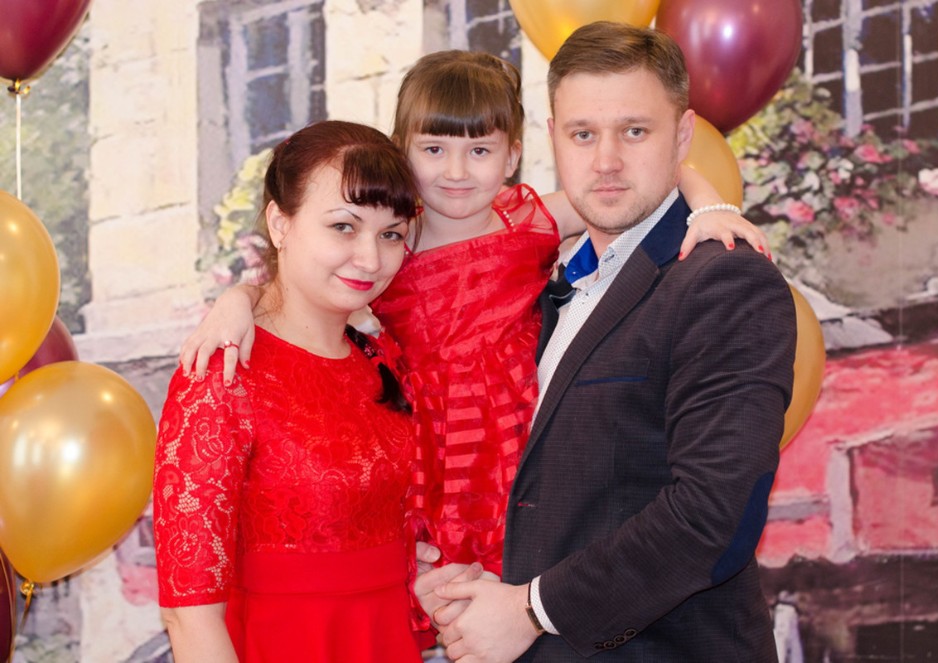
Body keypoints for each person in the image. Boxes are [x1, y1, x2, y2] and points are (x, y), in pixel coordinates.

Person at [180, 50, 769, 586]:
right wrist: (238, 300)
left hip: (523, 428)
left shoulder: (529, 220)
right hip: (434, 445)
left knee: (536, 568)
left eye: (479, 151)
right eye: (434, 150)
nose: (456, 172)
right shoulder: (392, 241)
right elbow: (304, 287)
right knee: (448, 586)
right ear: (403, 150)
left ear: (512, 155)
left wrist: (710, 209)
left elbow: (667, 174)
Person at [418, 22, 797, 662]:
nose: (606, 161)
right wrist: (464, 580)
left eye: (635, 131)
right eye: (583, 134)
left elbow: (713, 516)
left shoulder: (723, 278)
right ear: (553, 139)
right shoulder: (542, 283)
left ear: (682, 135)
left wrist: (531, 610)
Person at [153, 120, 424, 662]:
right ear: (281, 223)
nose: (371, 258)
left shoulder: (382, 358)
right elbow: (189, 613)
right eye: (343, 227)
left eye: (391, 234)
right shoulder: (224, 371)